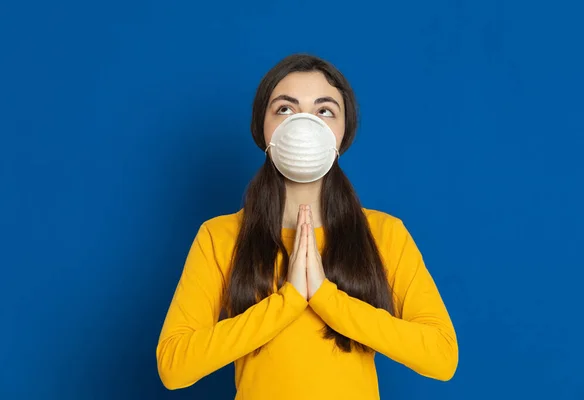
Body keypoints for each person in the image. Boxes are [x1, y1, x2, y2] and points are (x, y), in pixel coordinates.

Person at [156, 54, 458, 399]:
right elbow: (174, 366)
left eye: (324, 110)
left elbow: (442, 356)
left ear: (344, 133)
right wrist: (289, 300)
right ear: (262, 128)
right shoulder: (219, 236)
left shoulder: (384, 233)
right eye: (285, 109)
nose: (303, 123)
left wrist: (327, 298)